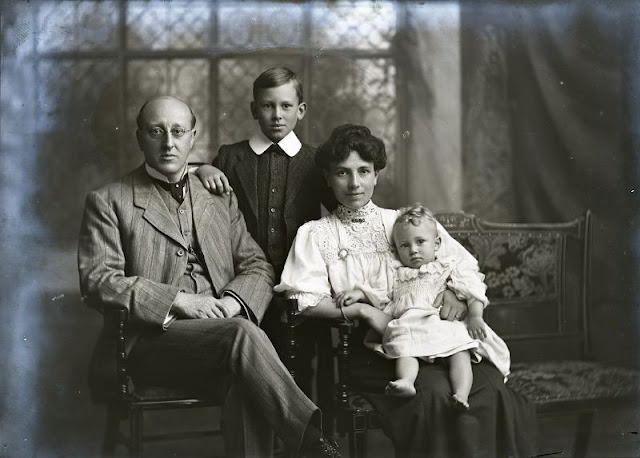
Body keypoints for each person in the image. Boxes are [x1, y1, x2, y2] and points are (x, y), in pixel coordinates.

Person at [78, 95, 340, 458]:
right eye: (156, 131)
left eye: (177, 131)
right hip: (149, 343)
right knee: (243, 335)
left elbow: (257, 264)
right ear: (140, 138)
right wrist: (179, 300)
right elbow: (98, 280)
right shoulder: (109, 200)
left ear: (192, 137)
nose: (168, 142)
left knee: (249, 381)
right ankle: (311, 439)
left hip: (222, 340)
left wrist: (233, 302)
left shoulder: (217, 194)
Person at [275, 124, 536, 457]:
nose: (354, 183)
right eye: (343, 173)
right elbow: (303, 301)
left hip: (442, 337)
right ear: (327, 178)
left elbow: (459, 264)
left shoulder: (403, 221)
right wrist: (363, 311)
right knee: (435, 396)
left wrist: (454, 294)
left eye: (363, 171)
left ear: (376, 175)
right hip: (376, 351)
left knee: (490, 390)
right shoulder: (317, 234)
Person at [192, 67, 328, 396]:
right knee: (250, 366)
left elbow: (344, 215)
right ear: (254, 110)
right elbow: (191, 192)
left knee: (299, 365)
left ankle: (298, 438)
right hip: (244, 285)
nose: (276, 115)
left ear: (301, 110)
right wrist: (201, 169)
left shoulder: (315, 161)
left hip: (299, 287)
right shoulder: (231, 156)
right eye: (267, 106)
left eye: (285, 106)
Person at [338, 204, 510, 408]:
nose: (413, 250)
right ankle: (406, 382)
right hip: (411, 326)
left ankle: (461, 394)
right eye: (405, 245)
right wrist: (358, 293)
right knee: (405, 350)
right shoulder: (396, 273)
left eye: (420, 242)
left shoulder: (446, 266)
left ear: (436, 243)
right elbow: (378, 292)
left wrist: (475, 316)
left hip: (442, 324)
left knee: (460, 353)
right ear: (396, 249)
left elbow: (470, 288)